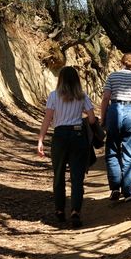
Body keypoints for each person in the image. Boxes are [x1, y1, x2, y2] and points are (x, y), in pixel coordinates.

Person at [37, 66, 98, 228]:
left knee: (58, 175)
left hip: (60, 137)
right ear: (77, 80)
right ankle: (75, 212)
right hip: (78, 137)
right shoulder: (82, 96)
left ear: (60, 79)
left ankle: (59, 210)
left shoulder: (53, 96)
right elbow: (92, 119)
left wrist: (41, 139)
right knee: (77, 177)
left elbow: (48, 119)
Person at [100, 53, 131, 201]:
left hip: (114, 110)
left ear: (122, 62)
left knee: (112, 149)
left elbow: (106, 98)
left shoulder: (112, 76)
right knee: (130, 151)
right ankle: (127, 192)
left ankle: (115, 187)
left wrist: (103, 118)